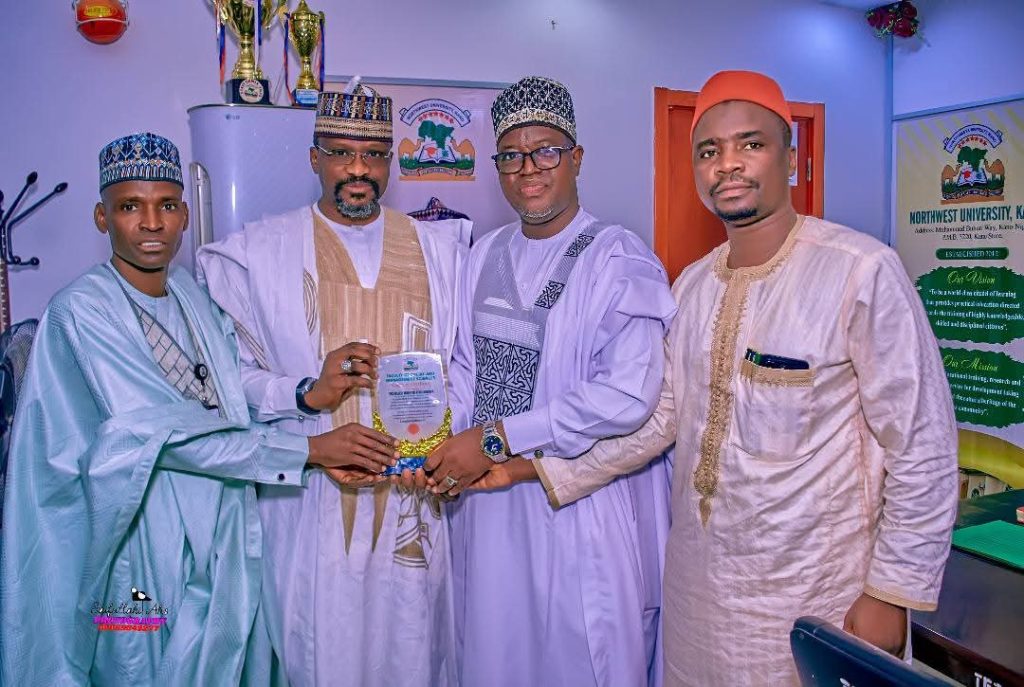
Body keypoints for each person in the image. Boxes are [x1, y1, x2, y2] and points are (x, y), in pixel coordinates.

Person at [488, 70, 960, 685]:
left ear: (789, 154)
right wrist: (529, 468)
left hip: (814, 600)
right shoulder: (693, 285)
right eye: (709, 151)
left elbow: (923, 444)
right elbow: (659, 421)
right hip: (698, 602)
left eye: (750, 144)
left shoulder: (860, 272)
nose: (728, 164)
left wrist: (892, 591)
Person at [0, 133, 394, 686]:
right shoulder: (82, 311)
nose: (151, 223)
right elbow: (164, 435)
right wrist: (309, 451)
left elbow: (226, 400)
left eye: (166, 205)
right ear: (101, 217)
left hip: (215, 523)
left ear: (185, 215)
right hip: (136, 538)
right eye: (130, 207)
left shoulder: (189, 294)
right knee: (140, 664)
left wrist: (308, 394)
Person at [198, 81, 468, 687]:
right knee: (320, 654)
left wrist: (443, 454)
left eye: (373, 155)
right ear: (314, 157)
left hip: (413, 501)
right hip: (312, 500)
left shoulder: (442, 253)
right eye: (341, 153)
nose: (358, 169)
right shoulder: (258, 254)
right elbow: (227, 381)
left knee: (411, 652)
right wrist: (305, 393)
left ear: (391, 162)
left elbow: (463, 371)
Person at [426, 76, 677, 687]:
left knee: (579, 654)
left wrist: (497, 438)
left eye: (545, 151)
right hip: (487, 504)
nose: (528, 170)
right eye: (511, 155)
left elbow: (628, 395)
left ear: (576, 157)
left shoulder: (617, 256)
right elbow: (465, 367)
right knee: (494, 649)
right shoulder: (482, 254)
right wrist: (435, 442)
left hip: (576, 503)